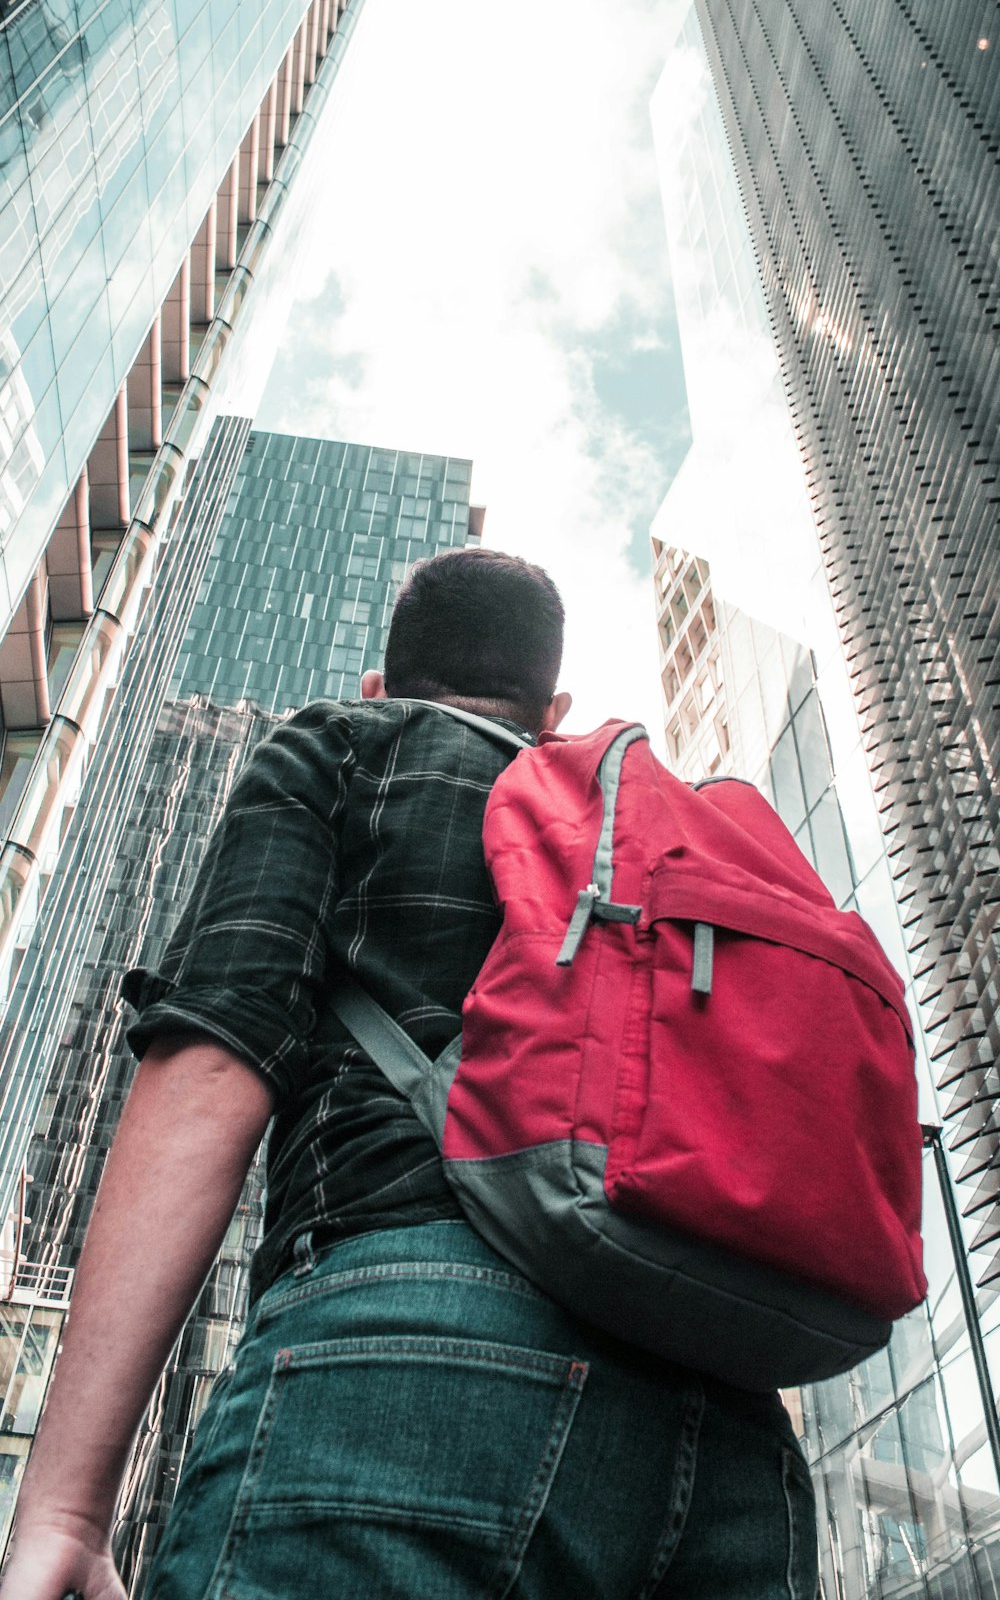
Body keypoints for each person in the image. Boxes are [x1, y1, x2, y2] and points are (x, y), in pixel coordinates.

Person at [0, 548, 818, 1600]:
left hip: (410, 1354)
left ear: (380, 683)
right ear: (551, 704)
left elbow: (213, 1058)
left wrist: (68, 1501)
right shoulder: (662, 833)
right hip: (732, 1434)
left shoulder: (344, 744)